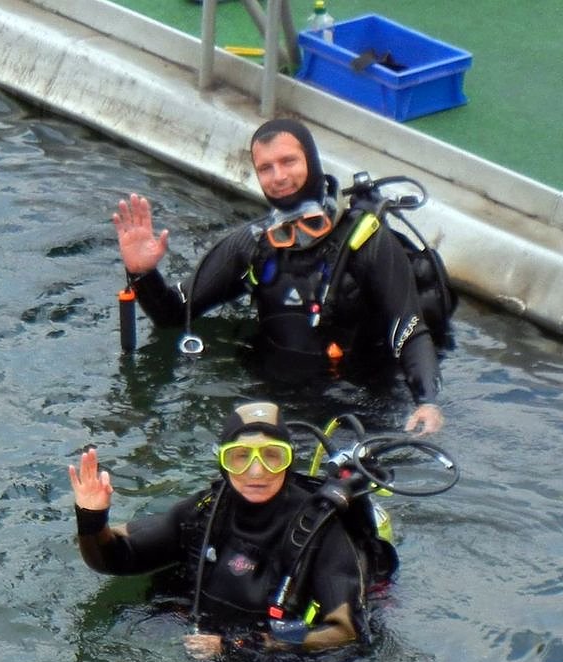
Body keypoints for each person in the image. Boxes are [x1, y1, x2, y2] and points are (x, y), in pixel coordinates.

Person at [113, 118, 446, 435]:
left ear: (312, 162)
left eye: (289, 162)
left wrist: (427, 403)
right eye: (266, 168)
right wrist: (143, 273)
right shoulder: (253, 243)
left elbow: (410, 328)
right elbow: (173, 314)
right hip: (270, 397)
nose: (279, 176)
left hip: (358, 397)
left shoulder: (367, 240)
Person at [68, 401, 398, 659]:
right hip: (201, 636)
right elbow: (115, 559)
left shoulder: (322, 531)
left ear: (289, 461)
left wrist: (241, 646)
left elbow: (347, 633)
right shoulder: (205, 511)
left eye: (272, 456)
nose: (256, 471)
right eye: (240, 457)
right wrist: (92, 518)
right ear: (223, 463)